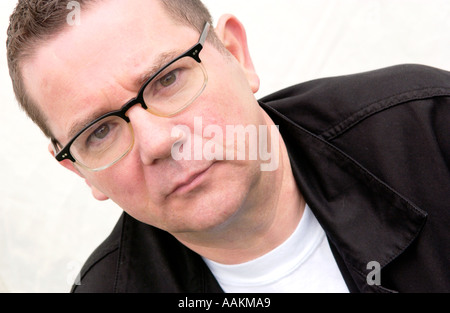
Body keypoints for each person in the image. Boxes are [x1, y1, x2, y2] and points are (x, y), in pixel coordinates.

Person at [6, 0, 450, 293]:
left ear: (237, 54)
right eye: (99, 132)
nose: (160, 142)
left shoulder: (432, 127)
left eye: (167, 79)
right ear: (80, 170)